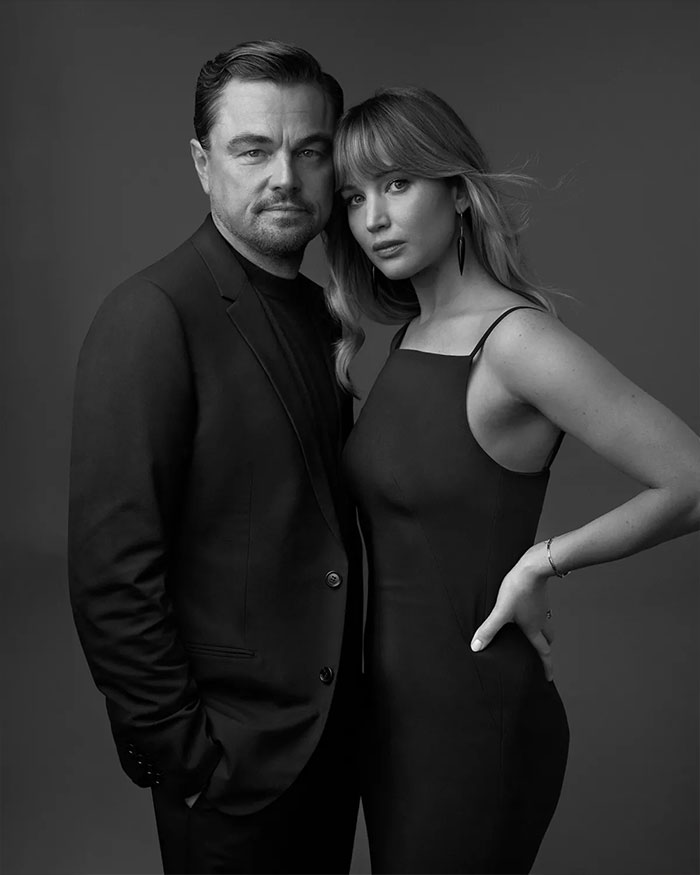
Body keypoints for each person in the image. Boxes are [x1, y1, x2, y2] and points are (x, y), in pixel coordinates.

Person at [324, 86, 700, 874]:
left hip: (473, 718)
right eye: (354, 197)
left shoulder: (516, 340)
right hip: (392, 719)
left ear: (457, 191)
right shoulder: (410, 336)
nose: (373, 219)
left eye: (397, 184)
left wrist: (543, 560)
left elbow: (691, 478)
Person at [68, 41, 362, 875]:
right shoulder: (151, 314)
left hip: (329, 750)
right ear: (203, 164)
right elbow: (110, 568)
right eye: (253, 149)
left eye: (310, 151)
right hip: (230, 765)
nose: (286, 176)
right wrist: (185, 755)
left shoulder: (321, 312)